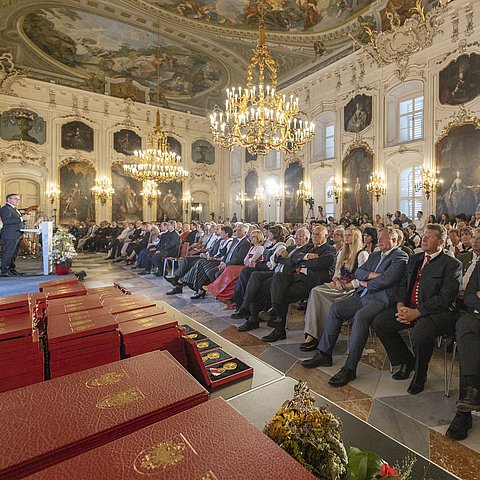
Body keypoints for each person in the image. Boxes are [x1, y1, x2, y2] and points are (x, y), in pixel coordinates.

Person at [301, 227, 408, 388]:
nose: (379, 240)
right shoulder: (374, 255)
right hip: (363, 295)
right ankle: (324, 353)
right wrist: (370, 276)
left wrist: (367, 281)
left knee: (360, 317)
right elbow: (358, 271)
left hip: (381, 299)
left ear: (394, 241)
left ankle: (350, 368)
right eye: (378, 237)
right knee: (336, 309)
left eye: (383, 238)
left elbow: (387, 280)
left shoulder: (400, 256)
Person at [371, 224, 462, 395]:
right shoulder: (415, 259)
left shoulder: (452, 264)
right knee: (380, 322)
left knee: (420, 333)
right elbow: (404, 285)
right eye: (424, 235)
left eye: (430, 236)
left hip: (437, 313)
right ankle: (407, 361)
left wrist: (418, 312)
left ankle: (420, 375)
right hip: (409, 308)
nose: (424, 238)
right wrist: (400, 305)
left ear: (441, 242)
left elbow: (445, 298)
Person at [258, 225, 337, 342]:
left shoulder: (330, 249)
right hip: (297, 277)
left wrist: (303, 262)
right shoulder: (310, 247)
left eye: (318, 235)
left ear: (325, 236)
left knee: (281, 295)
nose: (314, 237)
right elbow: (295, 257)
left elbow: (319, 264)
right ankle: (275, 315)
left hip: (312, 281)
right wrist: (306, 258)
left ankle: (278, 326)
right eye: (314, 234)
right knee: (279, 277)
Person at [300, 226, 366, 352]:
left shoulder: (362, 254)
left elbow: (362, 279)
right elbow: (336, 273)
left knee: (320, 295)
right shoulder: (342, 252)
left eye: (349, 235)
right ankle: (312, 334)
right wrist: (336, 281)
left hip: (352, 289)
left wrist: (347, 286)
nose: (346, 237)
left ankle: (316, 335)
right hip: (339, 285)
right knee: (315, 291)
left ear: (356, 237)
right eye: (345, 235)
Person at [445, 251, 480, 440]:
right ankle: (465, 407)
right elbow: (469, 298)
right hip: (476, 315)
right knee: (465, 328)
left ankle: (469, 397)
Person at [0, 193, 30, 277]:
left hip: (17, 234)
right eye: (15, 199)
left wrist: (23, 220)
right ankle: (4, 271)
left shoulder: (15, 209)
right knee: (8, 253)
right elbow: (6, 221)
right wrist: (21, 218)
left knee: (14, 254)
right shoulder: (5, 208)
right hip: (10, 234)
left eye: (18, 199)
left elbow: (15, 220)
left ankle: (12, 270)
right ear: (8, 199)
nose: (18, 200)